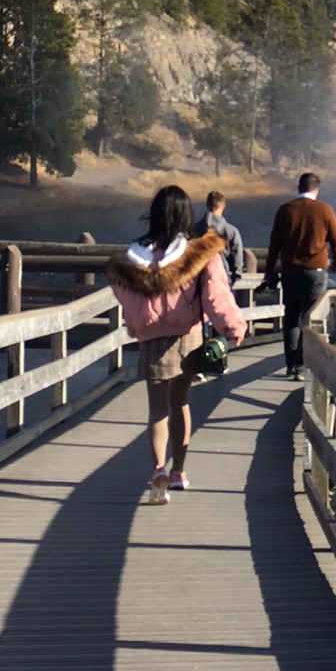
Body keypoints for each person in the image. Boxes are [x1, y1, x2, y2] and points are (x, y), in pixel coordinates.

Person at [108, 183, 247, 504]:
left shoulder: (134, 258)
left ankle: (157, 469)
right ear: (186, 215)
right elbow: (216, 295)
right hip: (188, 337)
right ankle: (178, 472)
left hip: (152, 340)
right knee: (180, 404)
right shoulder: (199, 254)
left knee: (156, 410)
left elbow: (122, 291)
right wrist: (232, 325)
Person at [263, 171, 336, 380]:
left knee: (291, 317)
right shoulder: (325, 210)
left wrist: (269, 269)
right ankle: (303, 364)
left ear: (299, 188)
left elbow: (274, 244)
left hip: (290, 270)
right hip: (315, 272)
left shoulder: (285, 210)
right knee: (310, 317)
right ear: (316, 189)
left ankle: (291, 365)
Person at [195, 189, 245, 283]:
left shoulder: (194, 230)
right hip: (222, 280)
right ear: (223, 207)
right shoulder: (231, 232)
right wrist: (233, 278)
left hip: (197, 280)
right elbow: (237, 260)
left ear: (207, 205)